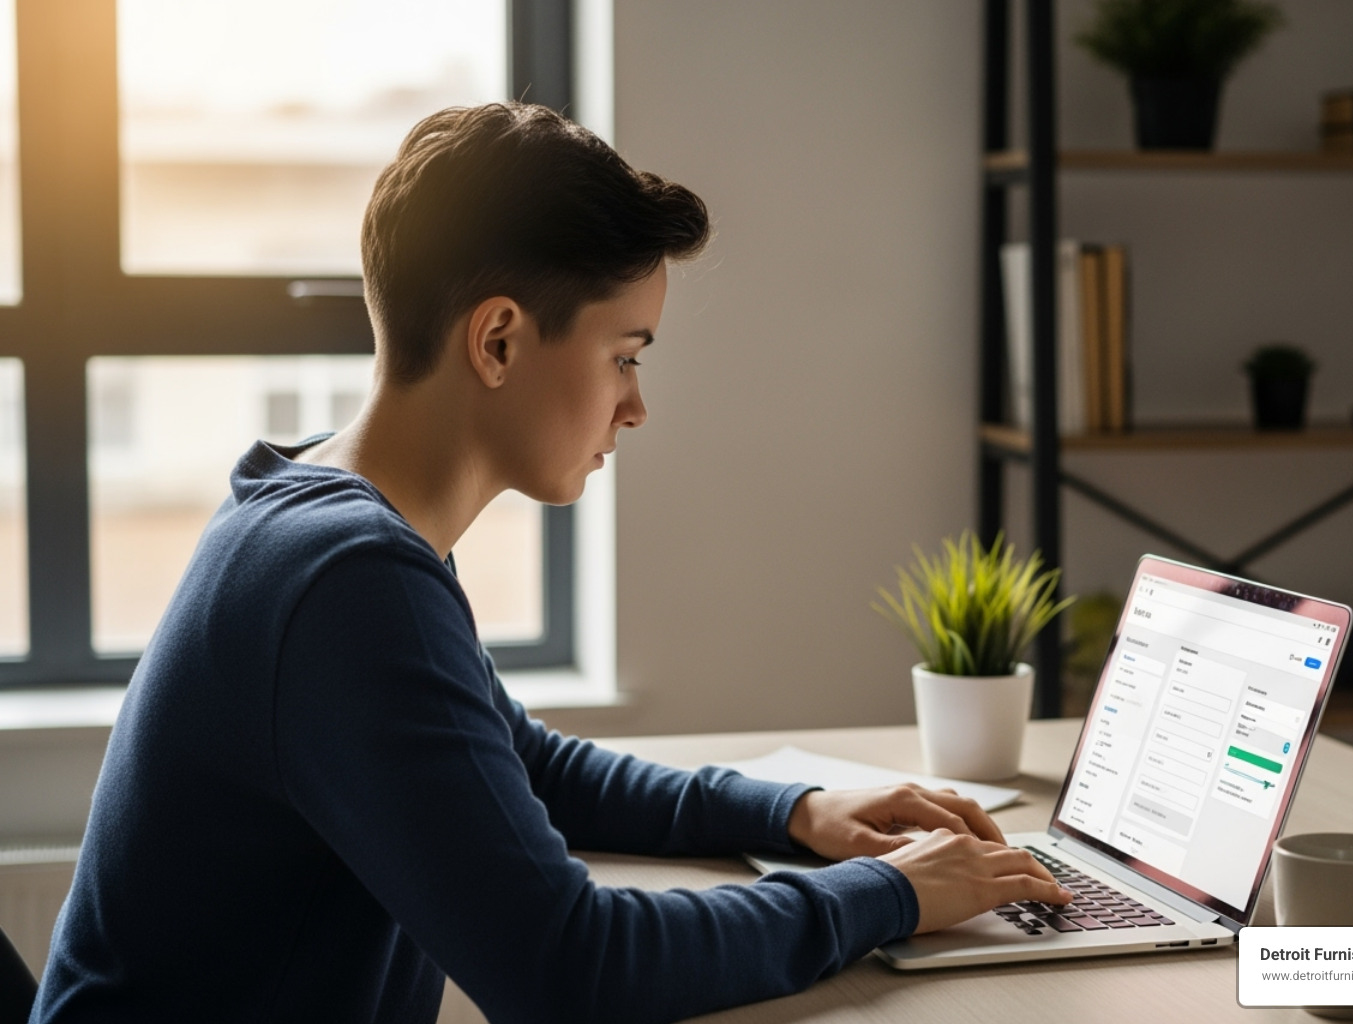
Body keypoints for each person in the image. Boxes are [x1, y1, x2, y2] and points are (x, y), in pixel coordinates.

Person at [30, 102, 1071, 1024]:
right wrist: (893, 894)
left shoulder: (315, 510)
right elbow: (571, 970)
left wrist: (793, 814)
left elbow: (518, 762)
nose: (636, 405)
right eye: (624, 356)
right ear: (497, 341)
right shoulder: (347, 577)